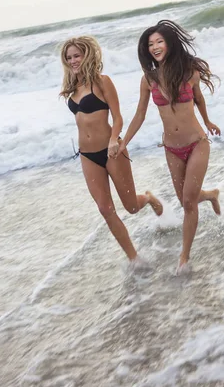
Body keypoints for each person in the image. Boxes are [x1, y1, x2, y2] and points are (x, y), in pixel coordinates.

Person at [118, 20, 221, 272]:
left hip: (197, 143)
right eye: (150, 44)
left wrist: (207, 121)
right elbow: (140, 114)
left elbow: (198, 99)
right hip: (171, 148)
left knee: (187, 203)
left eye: (159, 41)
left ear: (169, 43)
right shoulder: (149, 79)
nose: (155, 47)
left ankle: (183, 258)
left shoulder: (189, 72)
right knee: (188, 199)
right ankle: (211, 195)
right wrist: (123, 143)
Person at [60, 36, 163, 262]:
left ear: (87, 55)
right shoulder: (71, 88)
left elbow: (117, 117)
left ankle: (147, 198)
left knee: (131, 207)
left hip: (111, 151)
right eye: (69, 57)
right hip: (87, 155)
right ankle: (134, 259)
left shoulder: (102, 82)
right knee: (105, 209)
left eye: (77, 55)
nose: (73, 60)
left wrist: (114, 140)